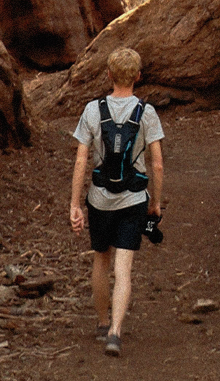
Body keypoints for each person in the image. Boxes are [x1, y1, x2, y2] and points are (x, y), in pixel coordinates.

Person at [69, 47, 165, 358]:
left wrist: (75, 204)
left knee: (101, 259)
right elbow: (158, 164)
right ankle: (115, 333)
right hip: (133, 199)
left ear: (109, 76)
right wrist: (156, 204)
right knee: (124, 268)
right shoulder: (147, 113)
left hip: (99, 200)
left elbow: (81, 160)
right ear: (138, 76)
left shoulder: (92, 111)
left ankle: (101, 322)